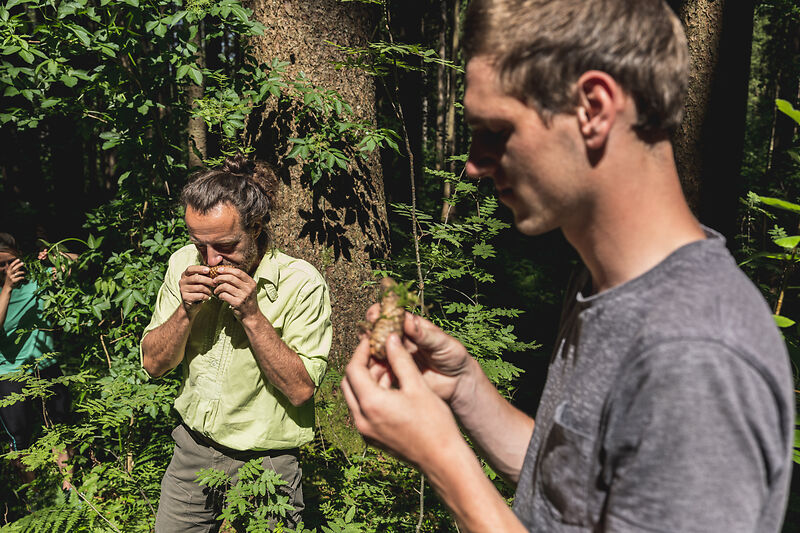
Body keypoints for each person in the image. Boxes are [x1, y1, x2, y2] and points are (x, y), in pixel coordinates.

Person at [341, 1, 795, 531]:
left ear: (593, 108)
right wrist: (465, 390)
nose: (473, 163)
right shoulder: (608, 287)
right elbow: (573, 493)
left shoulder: (696, 356)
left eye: (496, 130)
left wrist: (443, 460)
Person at [141, 155, 332, 532]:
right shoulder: (182, 264)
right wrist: (186, 311)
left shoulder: (302, 283)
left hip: (268, 463)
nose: (211, 261)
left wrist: (252, 315)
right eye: (200, 246)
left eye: (225, 246)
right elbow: (152, 364)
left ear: (256, 226)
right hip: (191, 453)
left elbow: (300, 390)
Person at [0, 232, 74, 490]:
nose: (8, 269)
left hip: (46, 366)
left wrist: (55, 254)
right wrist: (7, 287)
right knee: (20, 438)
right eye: (1, 265)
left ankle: (70, 491)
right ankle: (33, 499)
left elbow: (79, 262)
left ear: (20, 258)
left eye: (11, 262)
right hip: (9, 373)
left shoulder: (38, 279)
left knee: (58, 429)